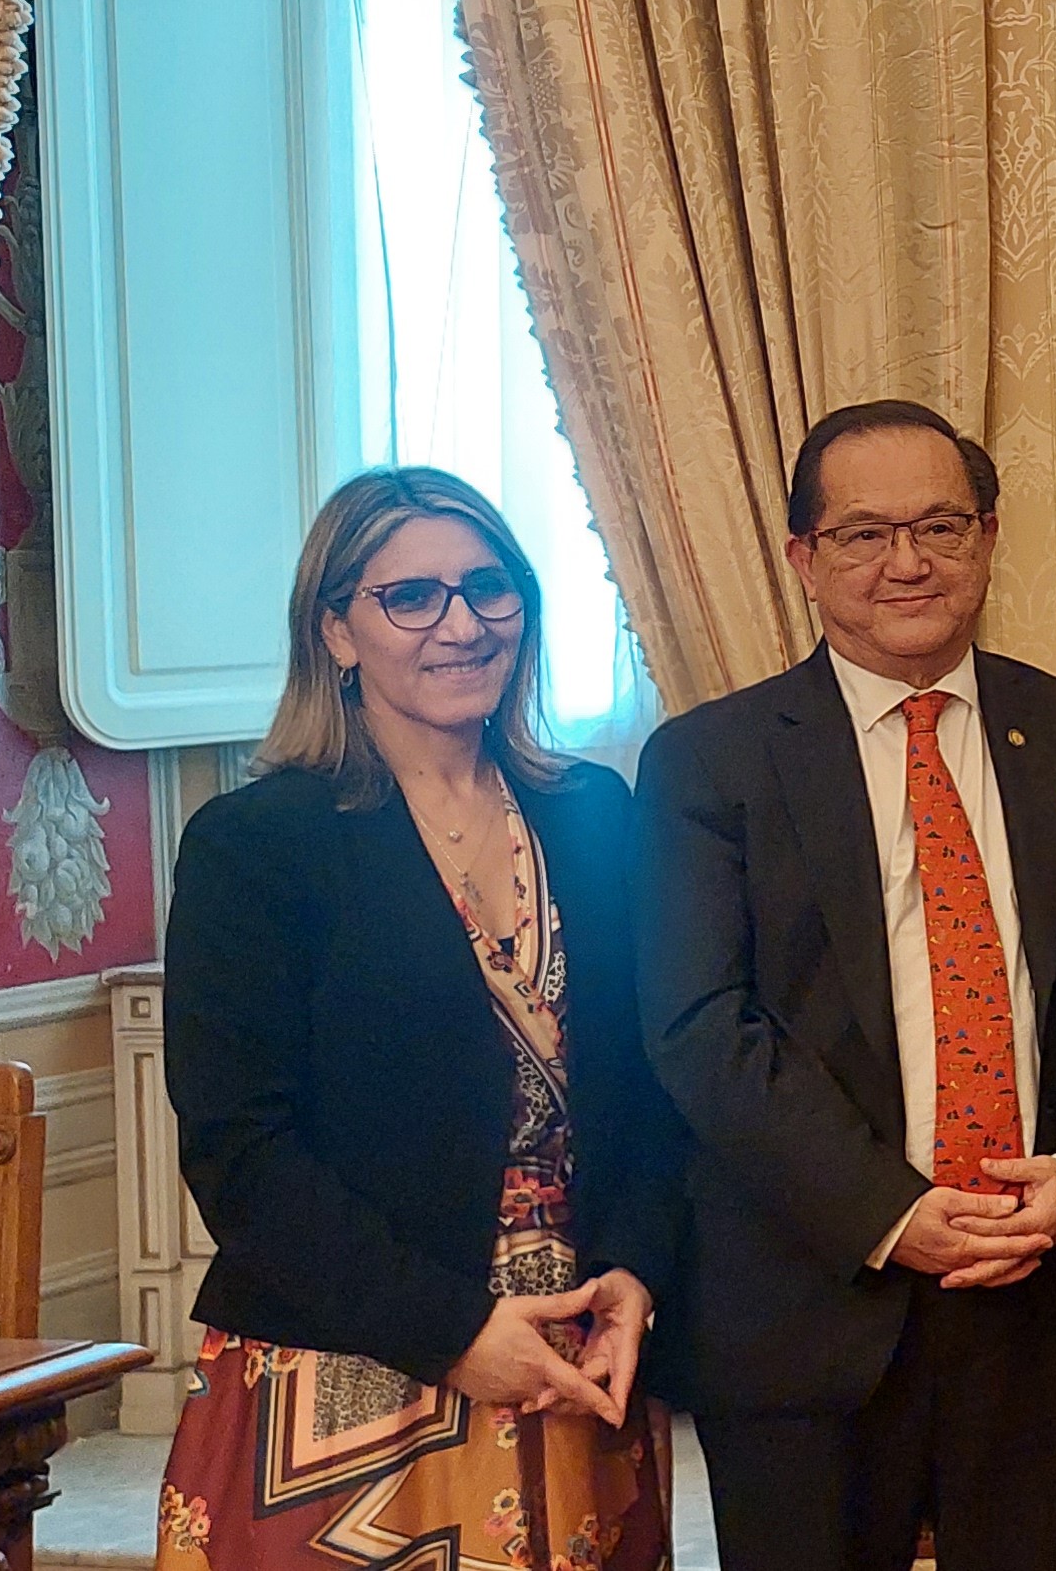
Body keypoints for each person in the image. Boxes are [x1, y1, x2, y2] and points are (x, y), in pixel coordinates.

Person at [638, 401, 1056, 1571]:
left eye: (939, 524)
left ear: (986, 535)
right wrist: (891, 1210)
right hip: (806, 1289)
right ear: (802, 559)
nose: (908, 561)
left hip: (1042, 1283)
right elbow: (699, 1024)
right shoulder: (709, 758)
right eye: (865, 533)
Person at [157, 466, 680, 1571]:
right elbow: (241, 1152)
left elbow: (650, 1091)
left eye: (488, 587)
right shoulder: (254, 843)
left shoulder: (594, 812)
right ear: (337, 628)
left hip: (578, 1362)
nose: (461, 622)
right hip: (352, 1374)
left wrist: (636, 1269)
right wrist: (450, 1331)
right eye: (412, 597)